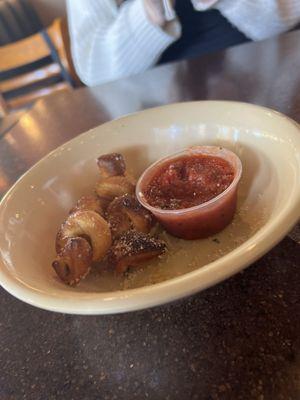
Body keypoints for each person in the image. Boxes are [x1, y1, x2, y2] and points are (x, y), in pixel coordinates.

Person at [66, 0, 300, 86]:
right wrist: (150, 13)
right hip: (155, 111)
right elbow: (94, 70)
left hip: (262, 80)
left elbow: (289, 15)